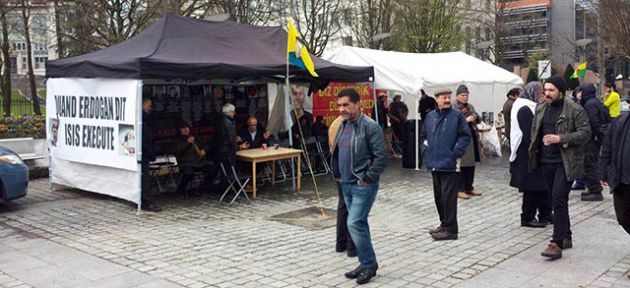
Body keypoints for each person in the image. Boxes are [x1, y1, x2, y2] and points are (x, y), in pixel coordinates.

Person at [529, 75, 591, 259]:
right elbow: (535, 131)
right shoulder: (540, 107)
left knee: (558, 199)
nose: (547, 93)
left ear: (561, 92)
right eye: (545, 90)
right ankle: (567, 236)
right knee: (557, 200)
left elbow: (586, 133)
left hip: (566, 162)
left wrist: (561, 138)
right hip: (546, 162)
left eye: (551, 90)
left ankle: (556, 243)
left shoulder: (574, 109)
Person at [331, 88, 387, 285]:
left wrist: (368, 178)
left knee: (354, 223)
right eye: (339, 105)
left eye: (346, 105)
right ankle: (364, 263)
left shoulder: (370, 127)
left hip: (362, 184)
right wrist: (338, 174)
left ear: (357, 104)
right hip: (345, 183)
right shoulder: (343, 125)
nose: (342, 109)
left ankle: (370, 264)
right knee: (359, 224)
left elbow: (381, 158)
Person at [421, 87, 471, 241]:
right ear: (437, 99)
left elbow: (465, 136)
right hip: (434, 163)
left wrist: (454, 153)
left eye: (449, 97)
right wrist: (425, 151)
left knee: (449, 198)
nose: (447, 100)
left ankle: (451, 230)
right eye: (444, 97)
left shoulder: (457, 116)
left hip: (449, 164)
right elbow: (423, 136)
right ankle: (444, 224)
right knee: (439, 197)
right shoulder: (430, 117)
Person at [509, 82, 551, 228]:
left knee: (542, 186)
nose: (543, 95)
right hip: (526, 153)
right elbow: (529, 134)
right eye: (540, 92)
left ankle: (545, 213)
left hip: (533, 151)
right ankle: (527, 217)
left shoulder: (529, 106)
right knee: (532, 187)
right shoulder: (524, 108)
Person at [577, 84, 610, 202]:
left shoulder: (590, 105)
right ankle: (593, 188)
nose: (579, 94)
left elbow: (592, 123)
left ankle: (595, 189)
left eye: (580, 91)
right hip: (595, 139)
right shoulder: (595, 102)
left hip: (591, 140)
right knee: (591, 163)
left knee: (589, 164)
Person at [600, 110, 630, 238]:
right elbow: (607, 147)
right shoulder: (620, 121)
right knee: (623, 218)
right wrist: (603, 172)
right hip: (621, 179)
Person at [453, 84, 481, 199]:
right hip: (460, 138)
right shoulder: (454, 107)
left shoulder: (470, 106)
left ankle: (469, 187)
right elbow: (453, 123)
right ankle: (460, 189)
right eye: (463, 95)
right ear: (457, 96)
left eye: (466, 95)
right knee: (462, 165)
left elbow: (478, 118)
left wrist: (476, 117)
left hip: (472, 136)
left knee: (471, 164)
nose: (465, 97)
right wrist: (466, 120)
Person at [172, 122, 207, 196]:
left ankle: (201, 188)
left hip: (199, 162)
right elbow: (177, 152)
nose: (185, 130)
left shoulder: (195, 137)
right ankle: (181, 188)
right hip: (186, 163)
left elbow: (206, 144)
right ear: (180, 130)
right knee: (188, 173)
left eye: (186, 127)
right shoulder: (177, 140)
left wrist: (204, 149)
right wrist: (187, 143)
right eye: (183, 128)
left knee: (213, 169)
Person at [141, 97, 162, 212]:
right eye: (148, 105)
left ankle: (145, 200)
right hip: (142, 152)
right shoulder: (141, 118)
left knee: (146, 177)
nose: (150, 107)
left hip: (146, 151)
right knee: (145, 178)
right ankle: (146, 201)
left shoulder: (148, 118)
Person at [213, 103, 239, 168]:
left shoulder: (218, 120)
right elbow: (231, 139)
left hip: (219, 150)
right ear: (230, 112)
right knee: (230, 171)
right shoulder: (229, 123)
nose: (234, 113)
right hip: (227, 151)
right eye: (233, 112)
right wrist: (238, 147)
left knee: (224, 171)